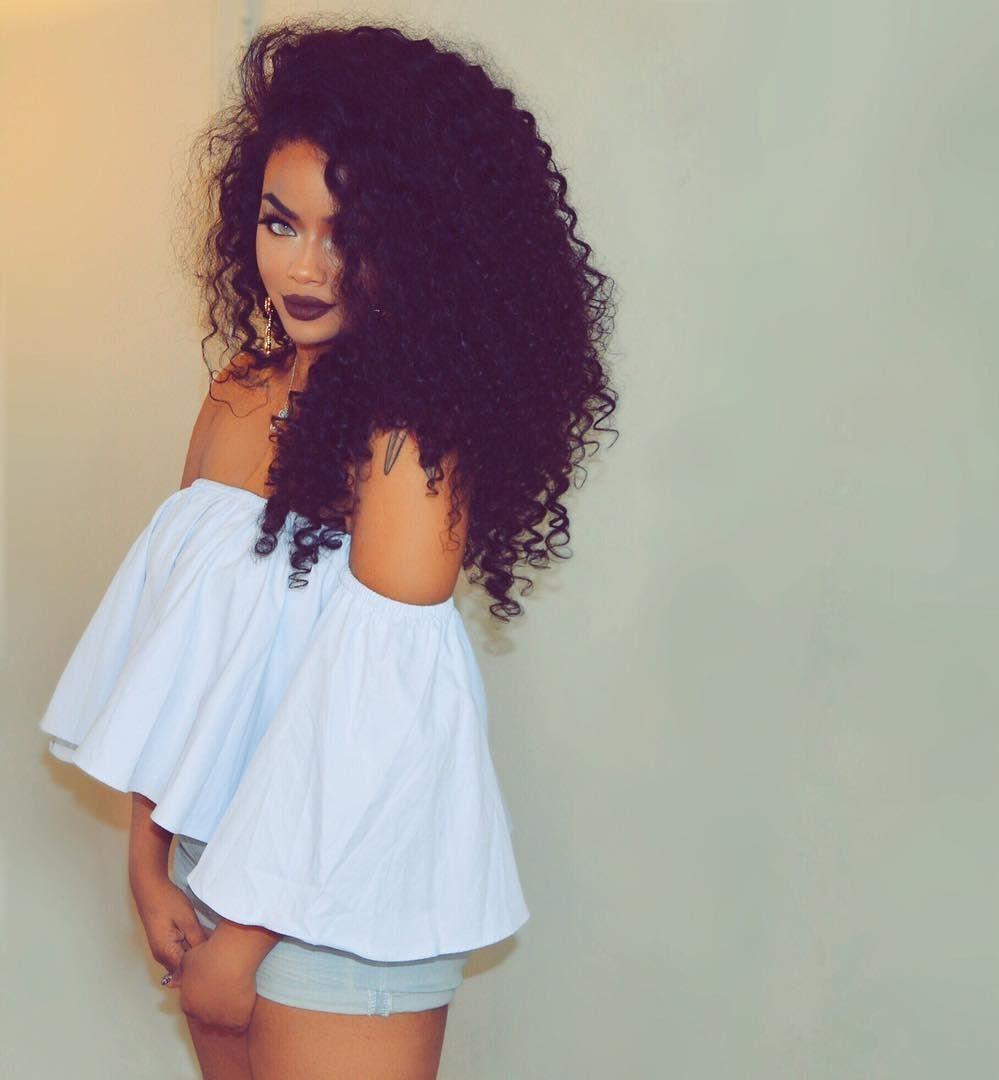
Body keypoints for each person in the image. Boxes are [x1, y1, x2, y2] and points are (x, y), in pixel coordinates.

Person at [39, 16, 618, 1079]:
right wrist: (148, 861)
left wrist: (247, 942)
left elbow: (370, 730)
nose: (305, 267)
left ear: (424, 249)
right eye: (281, 221)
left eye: (349, 235)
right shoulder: (237, 393)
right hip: (209, 862)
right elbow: (180, 654)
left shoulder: (410, 447)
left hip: (339, 908)